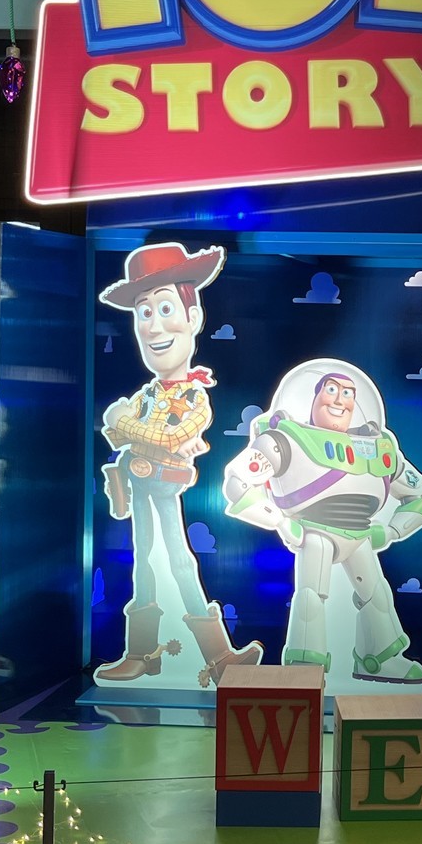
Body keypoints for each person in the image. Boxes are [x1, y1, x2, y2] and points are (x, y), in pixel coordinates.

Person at [94, 242, 261, 685]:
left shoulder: (194, 396)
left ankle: (216, 656)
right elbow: (114, 432)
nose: (154, 326)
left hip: (163, 482)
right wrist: (125, 424)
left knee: (177, 560)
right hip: (138, 482)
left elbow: (167, 436)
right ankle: (146, 653)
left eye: (165, 308)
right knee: (145, 562)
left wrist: (125, 421)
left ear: (194, 318)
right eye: (143, 313)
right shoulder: (148, 393)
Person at [222, 359, 422, 683]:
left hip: (361, 534)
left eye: (348, 393)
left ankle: (378, 659)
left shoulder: (377, 448)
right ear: (314, 396)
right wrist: (280, 522)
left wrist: (391, 531)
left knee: (376, 595)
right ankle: (304, 668)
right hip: (315, 532)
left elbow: (420, 497)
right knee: (311, 597)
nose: (339, 400)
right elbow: (238, 484)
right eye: (332, 390)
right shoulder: (286, 439)